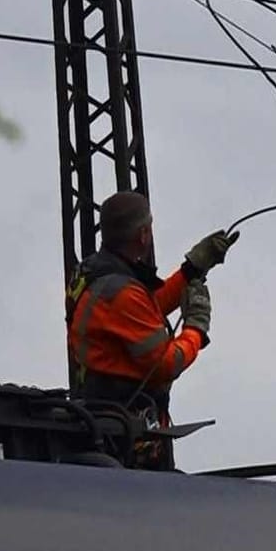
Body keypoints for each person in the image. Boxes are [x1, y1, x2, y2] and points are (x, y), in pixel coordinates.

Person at [66, 191, 237, 461]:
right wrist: (196, 327)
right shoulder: (121, 291)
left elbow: (140, 311)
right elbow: (166, 364)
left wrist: (190, 271)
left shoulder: (94, 272)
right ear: (144, 234)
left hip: (103, 415)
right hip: (126, 431)